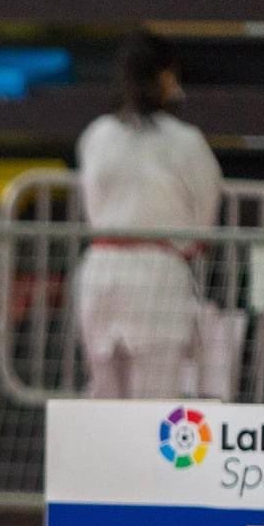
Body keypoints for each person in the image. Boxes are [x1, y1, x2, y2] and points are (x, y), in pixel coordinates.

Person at [73, 31, 223, 399]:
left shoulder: (97, 135)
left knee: (104, 397)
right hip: (159, 272)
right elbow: (204, 217)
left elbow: (91, 205)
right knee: (156, 401)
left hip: (101, 270)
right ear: (165, 76)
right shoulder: (185, 141)